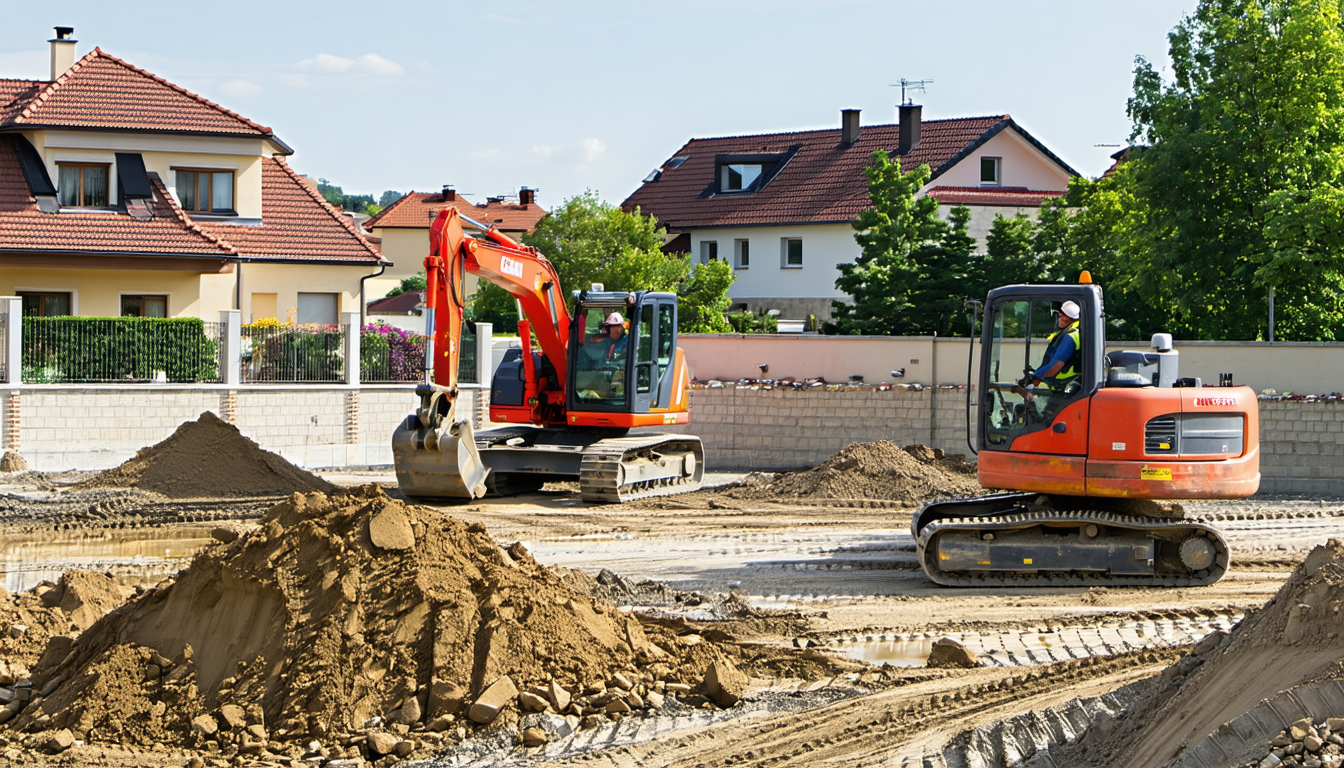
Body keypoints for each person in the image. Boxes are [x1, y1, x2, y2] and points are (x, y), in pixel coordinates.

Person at [1022, 301, 1081, 407]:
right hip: (1067, 391)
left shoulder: (1070, 337)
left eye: (1059, 315)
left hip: (1062, 393)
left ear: (1066, 318)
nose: (1058, 318)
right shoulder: (1073, 333)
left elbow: (1055, 366)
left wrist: (1034, 377)